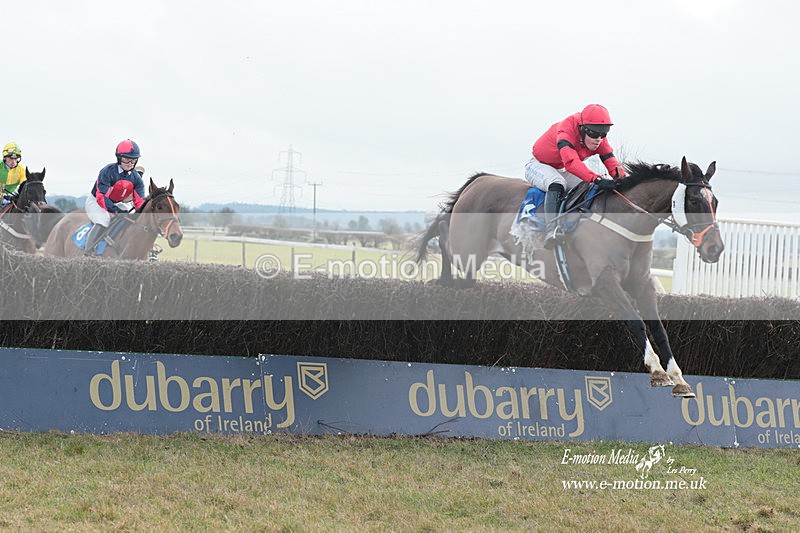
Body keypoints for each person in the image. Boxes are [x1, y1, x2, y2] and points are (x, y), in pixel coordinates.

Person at [525, 104, 627, 249]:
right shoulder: (566, 130)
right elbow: (571, 163)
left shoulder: (597, 137)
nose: (598, 139)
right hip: (538, 165)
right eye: (594, 134)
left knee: (588, 187)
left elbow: (611, 161)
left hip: (561, 168)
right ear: (582, 128)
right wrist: (597, 179)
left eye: (603, 134)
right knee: (557, 183)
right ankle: (551, 230)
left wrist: (624, 181)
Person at [83, 139, 146, 254]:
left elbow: (139, 202)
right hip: (96, 202)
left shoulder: (136, 178)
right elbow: (101, 197)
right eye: (127, 159)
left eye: (133, 160)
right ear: (119, 158)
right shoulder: (107, 171)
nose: (130, 163)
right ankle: (88, 253)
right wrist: (116, 210)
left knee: (132, 218)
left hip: (117, 203)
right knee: (104, 219)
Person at [0, 142, 26, 206]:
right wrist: (2, 196)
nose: (13, 162)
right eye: (11, 158)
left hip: (11, 196)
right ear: (5, 158)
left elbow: (24, 184)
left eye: (16, 158)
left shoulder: (21, 169)